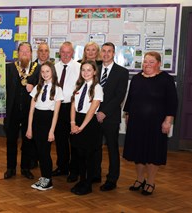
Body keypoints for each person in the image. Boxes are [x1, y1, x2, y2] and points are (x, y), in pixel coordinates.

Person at [123, 51, 178, 196]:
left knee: (153, 152)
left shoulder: (166, 79)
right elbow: (130, 99)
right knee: (138, 152)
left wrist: (168, 121)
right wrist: (127, 115)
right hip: (136, 122)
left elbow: (172, 102)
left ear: (159, 63)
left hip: (156, 124)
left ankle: (150, 181)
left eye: (151, 62)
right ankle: (140, 179)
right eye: (145, 61)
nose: (147, 64)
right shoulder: (136, 78)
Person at [94, 42, 129, 191]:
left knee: (112, 149)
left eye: (109, 51)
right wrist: (95, 112)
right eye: (104, 51)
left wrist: (104, 112)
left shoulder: (122, 72)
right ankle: (95, 174)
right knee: (95, 147)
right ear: (101, 53)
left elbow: (119, 96)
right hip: (94, 116)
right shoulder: (95, 69)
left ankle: (112, 179)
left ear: (114, 53)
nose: (106, 54)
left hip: (111, 117)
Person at [26, 61, 63, 191]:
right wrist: (29, 127)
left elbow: (56, 113)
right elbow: (31, 110)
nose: (45, 74)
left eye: (47, 71)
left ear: (52, 72)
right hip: (36, 121)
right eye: (42, 72)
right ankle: (43, 177)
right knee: (40, 152)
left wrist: (52, 131)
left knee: (45, 152)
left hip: (48, 122)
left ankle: (48, 180)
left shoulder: (58, 89)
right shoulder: (37, 88)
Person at [4, 42, 39, 180]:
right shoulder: (10, 68)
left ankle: (25, 168)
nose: (24, 53)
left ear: (31, 54)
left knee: (28, 140)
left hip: (29, 112)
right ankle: (10, 168)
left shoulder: (38, 69)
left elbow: (43, 87)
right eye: (22, 51)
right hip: (12, 111)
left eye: (27, 51)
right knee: (11, 140)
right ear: (17, 53)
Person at [69, 60, 103, 195]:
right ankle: (81, 180)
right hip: (76, 121)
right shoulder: (79, 86)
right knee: (79, 154)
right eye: (83, 70)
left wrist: (81, 127)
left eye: (89, 70)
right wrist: (72, 123)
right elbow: (73, 105)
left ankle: (88, 184)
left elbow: (92, 109)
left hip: (89, 124)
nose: (86, 72)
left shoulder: (97, 88)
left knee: (89, 155)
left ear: (94, 72)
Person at [52, 41, 81, 183]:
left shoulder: (79, 67)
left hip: (72, 107)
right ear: (59, 53)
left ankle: (74, 170)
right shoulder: (54, 68)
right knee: (60, 139)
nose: (65, 55)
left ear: (73, 53)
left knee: (74, 140)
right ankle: (62, 167)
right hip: (58, 107)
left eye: (68, 52)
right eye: (62, 52)